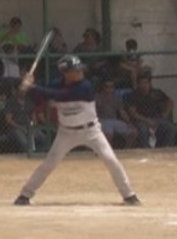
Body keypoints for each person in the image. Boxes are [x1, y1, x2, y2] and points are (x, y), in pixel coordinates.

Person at [12, 55, 141, 207]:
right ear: (66, 73)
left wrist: (32, 87)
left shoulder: (85, 86)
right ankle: (25, 195)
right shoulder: (57, 84)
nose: (80, 72)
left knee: (111, 160)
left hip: (91, 131)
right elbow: (42, 93)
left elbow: (60, 95)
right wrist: (27, 84)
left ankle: (129, 195)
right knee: (49, 163)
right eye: (75, 70)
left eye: (79, 69)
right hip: (66, 133)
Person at [125, 73, 175, 148]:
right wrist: (147, 120)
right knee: (143, 130)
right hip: (142, 120)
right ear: (138, 84)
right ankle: (146, 149)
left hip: (157, 118)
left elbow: (170, 101)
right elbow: (133, 113)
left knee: (169, 127)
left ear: (150, 83)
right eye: (142, 83)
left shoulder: (157, 92)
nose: (144, 85)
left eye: (146, 83)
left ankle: (166, 148)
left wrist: (165, 114)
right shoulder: (133, 95)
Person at [95, 79, 138, 149]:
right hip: (102, 120)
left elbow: (122, 111)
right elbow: (94, 112)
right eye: (107, 86)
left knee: (134, 132)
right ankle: (108, 152)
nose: (109, 89)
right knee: (109, 134)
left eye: (111, 87)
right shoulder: (97, 97)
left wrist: (129, 122)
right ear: (103, 87)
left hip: (114, 120)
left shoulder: (116, 97)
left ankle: (126, 150)